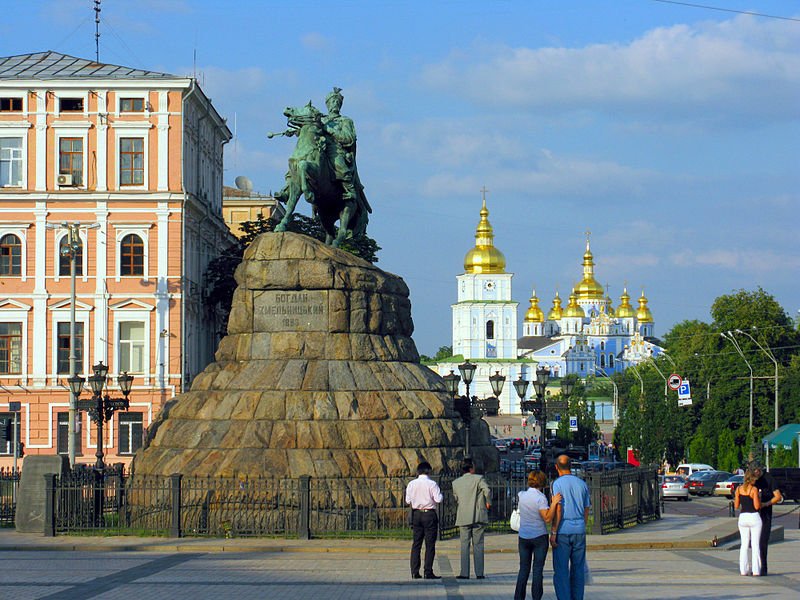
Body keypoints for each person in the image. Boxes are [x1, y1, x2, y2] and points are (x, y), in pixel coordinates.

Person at [515, 471, 562, 600]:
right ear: (542, 482)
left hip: (524, 536)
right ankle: (536, 597)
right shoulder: (540, 498)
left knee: (523, 569)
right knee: (537, 569)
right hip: (538, 536)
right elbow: (547, 518)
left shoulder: (522, 495)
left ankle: (518, 597)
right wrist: (553, 504)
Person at [550, 454, 591, 600]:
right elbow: (586, 509)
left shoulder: (557, 484)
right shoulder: (582, 483)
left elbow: (558, 509)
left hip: (563, 531)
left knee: (561, 571)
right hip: (579, 529)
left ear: (556, 467)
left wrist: (554, 531)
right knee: (578, 569)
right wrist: (582, 525)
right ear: (570, 466)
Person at [452, 458, 491, 580]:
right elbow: (487, 490)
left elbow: (456, 498)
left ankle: (464, 572)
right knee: (478, 545)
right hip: (478, 515)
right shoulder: (479, 479)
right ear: (471, 468)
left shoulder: (456, 483)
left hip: (463, 516)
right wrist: (488, 502)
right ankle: (479, 573)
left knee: (464, 545)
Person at [405, 461, 443, 580]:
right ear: (429, 471)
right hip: (429, 514)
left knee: (416, 543)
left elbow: (407, 500)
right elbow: (438, 499)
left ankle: (414, 571)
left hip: (416, 514)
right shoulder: (432, 484)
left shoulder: (411, 484)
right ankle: (428, 571)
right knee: (430, 544)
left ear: (418, 471)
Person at [752, 462, 783, 575]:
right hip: (753, 514)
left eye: (755, 472)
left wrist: (766, 504)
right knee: (753, 542)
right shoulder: (752, 479)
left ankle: (763, 567)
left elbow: (778, 496)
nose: (754, 475)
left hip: (765, 514)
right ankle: (755, 567)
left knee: (763, 542)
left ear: (759, 470)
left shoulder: (769, 479)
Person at [734, 467, 762, 576]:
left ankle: (743, 570)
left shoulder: (738, 489)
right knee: (755, 545)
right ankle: (756, 570)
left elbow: (736, 506)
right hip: (754, 517)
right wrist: (758, 497)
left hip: (743, 517)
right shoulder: (753, 489)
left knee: (744, 545)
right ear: (752, 479)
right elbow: (756, 506)